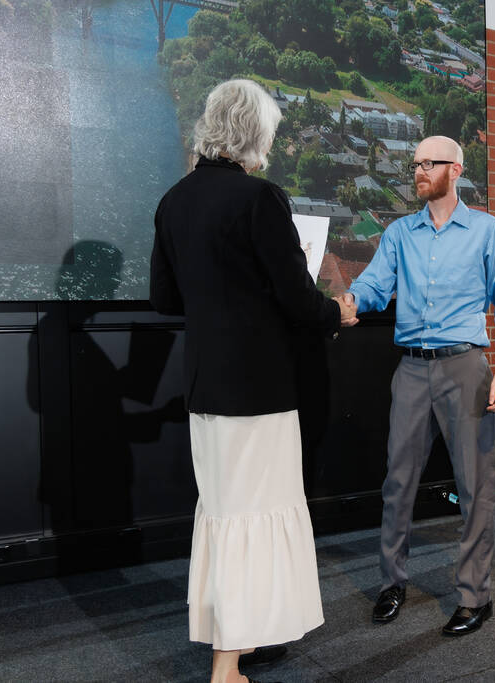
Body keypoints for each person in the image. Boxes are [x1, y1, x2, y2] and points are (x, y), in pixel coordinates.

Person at [150, 79, 357, 683]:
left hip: (205, 390)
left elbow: (165, 299)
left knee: (224, 515)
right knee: (254, 517)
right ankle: (227, 665)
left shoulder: (174, 200)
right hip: (259, 391)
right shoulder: (262, 198)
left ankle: (243, 640)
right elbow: (298, 299)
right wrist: (336, 313)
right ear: (255, 135)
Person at [343, 135, 495, 636]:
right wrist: (350, 301)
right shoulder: (400, 233)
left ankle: (474, 596)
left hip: (465, 367)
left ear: (456, 170)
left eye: (430, 163)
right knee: (398, 482)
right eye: (416, 164)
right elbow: (374, 284)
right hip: (411, 370)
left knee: (475, 485)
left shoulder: (486, 231)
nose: (419, 171)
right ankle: (392, 583)